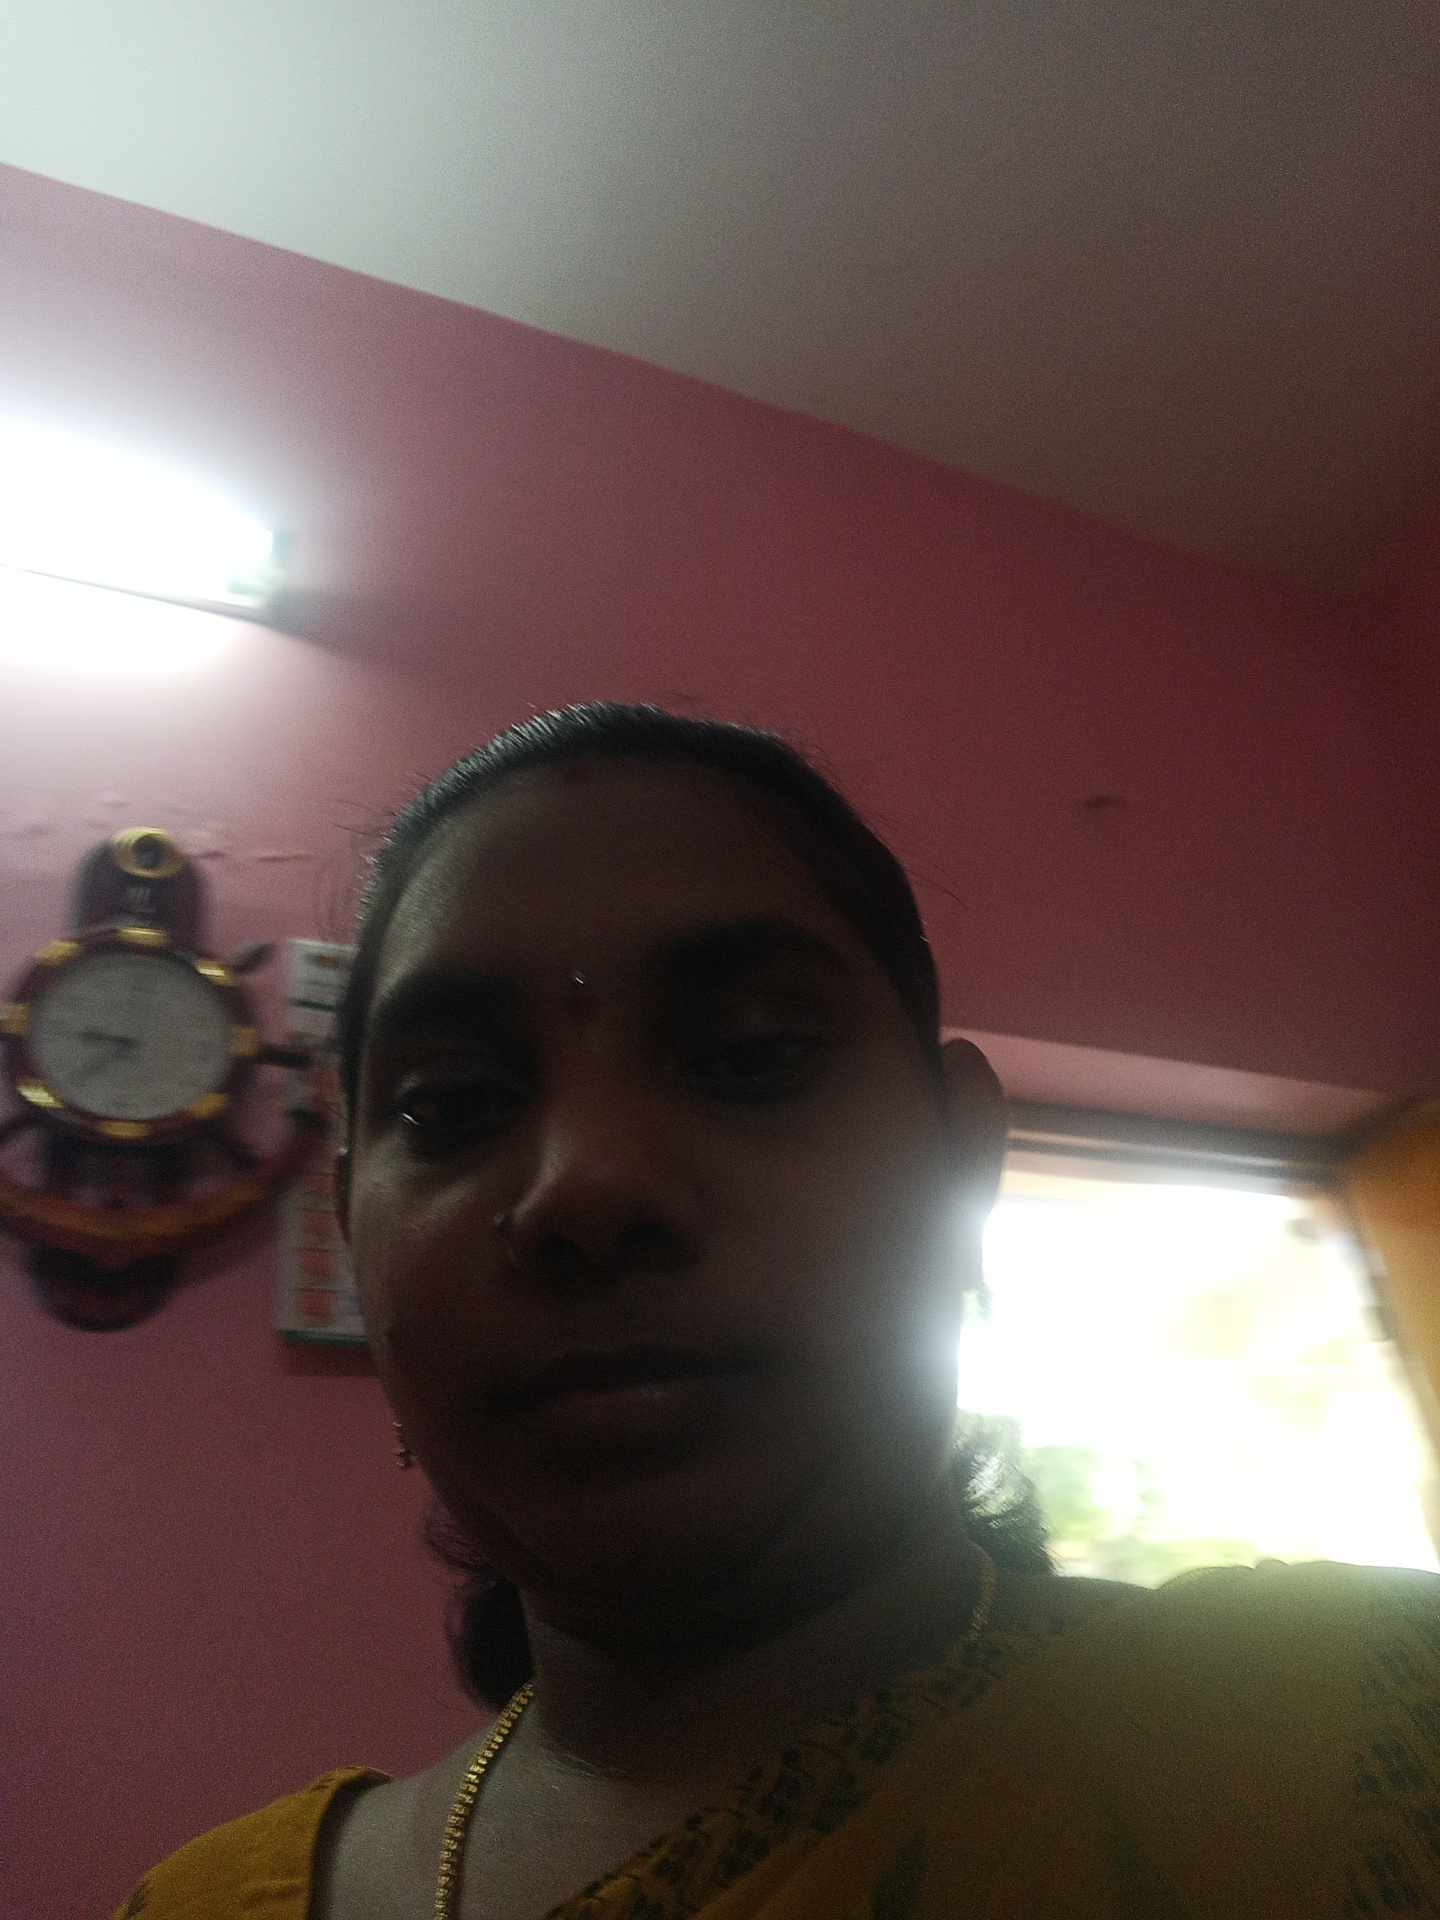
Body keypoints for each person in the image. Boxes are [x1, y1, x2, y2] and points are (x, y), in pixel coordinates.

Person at [114, 703, 1440, 1919]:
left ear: (960, 1162)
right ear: (353, 1231)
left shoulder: (1361, 1737)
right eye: (451, 1105)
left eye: (754, 1054)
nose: (590, 1184)